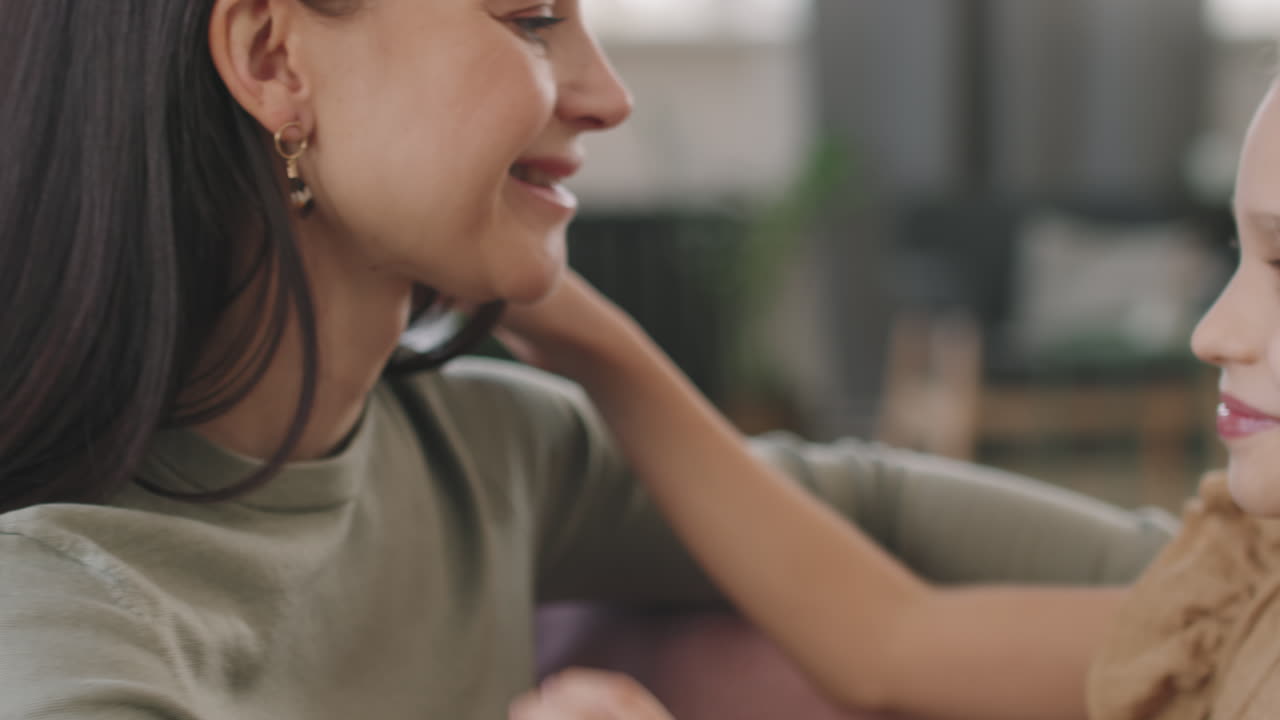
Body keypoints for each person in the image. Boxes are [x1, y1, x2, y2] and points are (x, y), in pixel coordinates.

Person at [0, 1, 1174, 718]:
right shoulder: (58, 613)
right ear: (272, 57)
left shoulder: (484, 458)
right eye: (526, 15)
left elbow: (853, 529)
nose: (607, 94)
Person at [602, 78, 1280, 719]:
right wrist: (592, 341)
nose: (1212, 332)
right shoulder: (1245, 593)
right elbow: (888, 640)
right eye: (1239, 252)